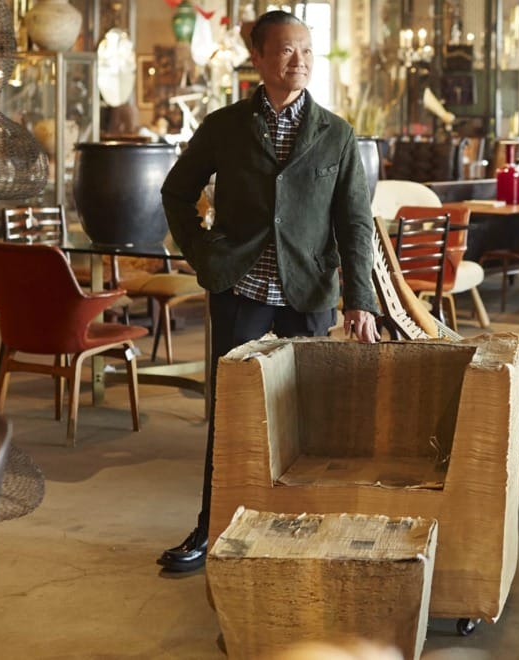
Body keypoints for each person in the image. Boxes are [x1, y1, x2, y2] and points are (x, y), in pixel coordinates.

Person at [158, 10, 380, 572]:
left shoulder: (336, 133)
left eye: (306, 50)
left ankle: (300, 534)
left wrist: (360, 301)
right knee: (232, 417)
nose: (299, 60)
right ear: (257, 58)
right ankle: (211, 530)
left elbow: (355, 222)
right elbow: (176, 192)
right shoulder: (225, 125)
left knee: (308, 421)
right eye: (285, 50)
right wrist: (205, 254)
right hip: (241, 291)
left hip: (308, 293)